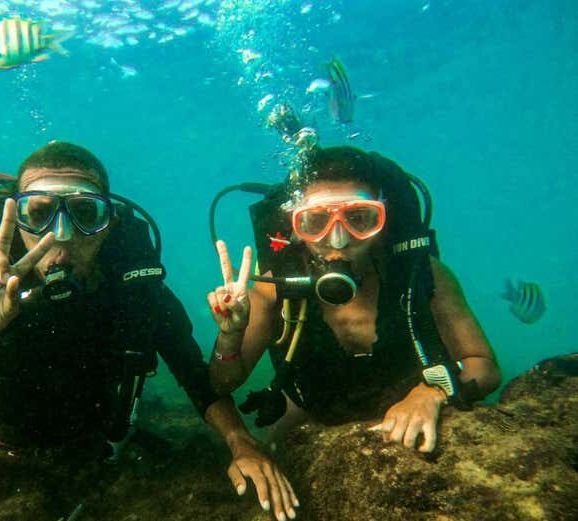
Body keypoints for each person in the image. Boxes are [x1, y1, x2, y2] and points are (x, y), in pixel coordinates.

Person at [0, 141, 298, 520]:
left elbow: (196, 379)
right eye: (38, 214)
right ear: (12, 219)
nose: (61, 234)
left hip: (104, 453)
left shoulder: (134, 287)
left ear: (109, 222)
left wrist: (241, 443)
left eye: (85, 212)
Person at [207, 145, 500, 453]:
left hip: (406, 411)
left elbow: (485, 366)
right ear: (296, 227)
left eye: (359, 218)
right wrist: (230, 334)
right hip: (313, 413)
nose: (338, 239)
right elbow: (222, 384)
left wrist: (431, 392)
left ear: (384, 223)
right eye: (316, 221)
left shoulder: (423, 277)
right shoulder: (273, 290)